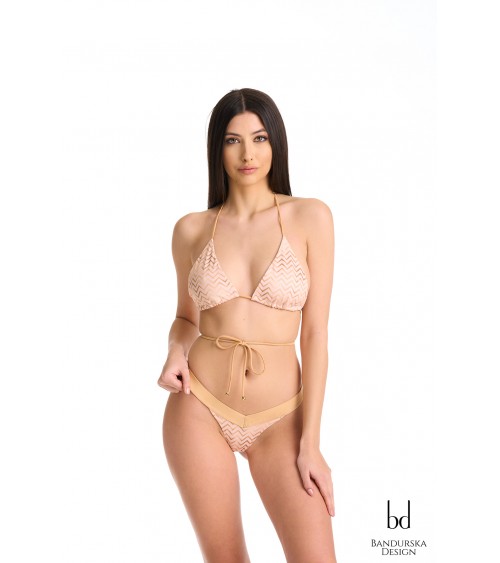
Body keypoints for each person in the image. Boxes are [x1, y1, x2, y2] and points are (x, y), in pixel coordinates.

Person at [158, 87, 337, 563]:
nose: (248, 154)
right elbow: (185, 318)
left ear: (275, 142)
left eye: (259, 138)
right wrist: (175, 350)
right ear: (217, 148)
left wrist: (311, 443)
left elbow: (316, 333)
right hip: (199, 407)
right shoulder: (191, 229)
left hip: (282, 418)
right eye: (233, 141)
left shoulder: (310, 217)